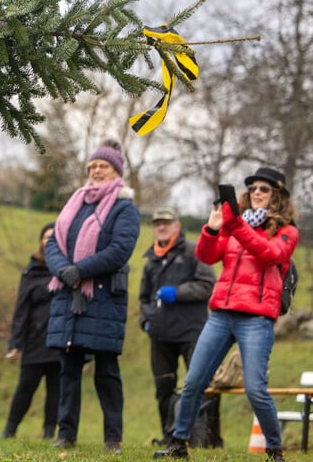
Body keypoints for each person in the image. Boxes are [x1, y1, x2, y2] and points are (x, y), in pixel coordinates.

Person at [155, 167, 298, 462]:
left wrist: (235, 227)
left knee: (256, 389)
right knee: (194, 381)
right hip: (221, 315)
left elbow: (269, 254)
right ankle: (179, 443)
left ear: (277, 196)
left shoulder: (287, 231)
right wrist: (212, 228)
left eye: (265, 189)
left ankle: (274, 449)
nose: (257, 192)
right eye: (253, 188)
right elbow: (207, 256)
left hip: (256, 319)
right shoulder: (237, 226)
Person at [44, 138, 140, 454]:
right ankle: (65, 434)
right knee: (68, 369)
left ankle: (113, 438)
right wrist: (63, 271)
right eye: (93, 166)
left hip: (104, 298)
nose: (97, 171)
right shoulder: (75, 202)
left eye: (104, 166)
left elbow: (119, 251)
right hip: (68, 294)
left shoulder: (125, 208)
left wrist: (80, 270)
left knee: (107, 371)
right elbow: (53, 242)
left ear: (116, 172)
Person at [139, 207, 216, 446]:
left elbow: (208, 284)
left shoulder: (194, 251)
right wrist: (146, 321)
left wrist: (178, 293)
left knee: (200, 385)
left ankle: (204, 439)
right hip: (160, 335)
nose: (161, 227)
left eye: (166, 222)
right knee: (164, 388)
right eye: (157, 223)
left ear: (177, 225)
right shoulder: (151, 259)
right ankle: (169, 436)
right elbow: (143, 298)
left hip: (192, 331)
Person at [0, 223, 60, 441]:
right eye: (45, 237)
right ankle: (10, 429)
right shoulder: (31, 271)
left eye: (54, 236)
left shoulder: (68, 270)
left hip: (60, 341)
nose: (49, 240)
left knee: (57, 390)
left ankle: (49, 432)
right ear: (40, 241)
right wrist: (15, 342)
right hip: (35, 341)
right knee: (25, 387)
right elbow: (21, 309)